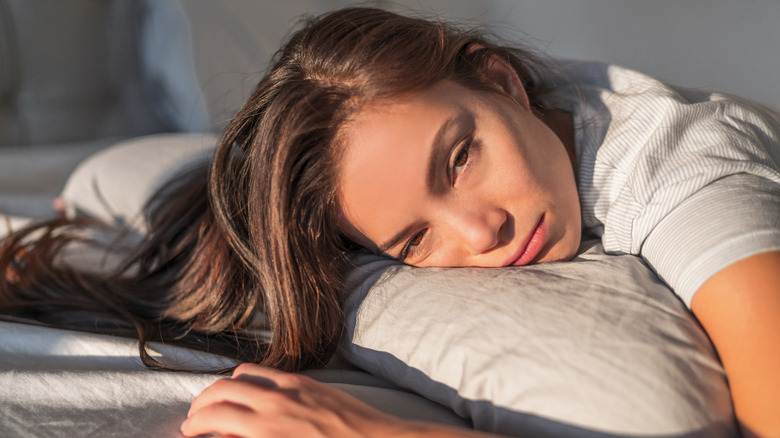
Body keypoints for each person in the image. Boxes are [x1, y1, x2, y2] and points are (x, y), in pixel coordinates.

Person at [1, 6, 779, 438]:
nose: (482, 235)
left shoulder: (688, 165)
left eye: (459, 159)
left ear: (502, 81)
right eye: (413, 241)